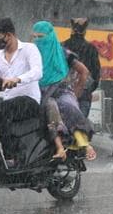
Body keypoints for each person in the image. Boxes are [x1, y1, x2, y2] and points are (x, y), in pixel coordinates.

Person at [32, 20, 96, 161]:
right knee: (46, 109)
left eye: (41, 37)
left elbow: (83, 72)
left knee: (68, 107)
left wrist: (76, 93)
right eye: (34, 37)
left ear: (50, 36)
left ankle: (85, 144)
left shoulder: (62, 52)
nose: (37, 40)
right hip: (39, 94)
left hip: (61, 90)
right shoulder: (31, 53)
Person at [0, 18, 44, 156]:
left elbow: (37, 71)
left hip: (29, 101)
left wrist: (18, 79)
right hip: (9, 101)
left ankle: (9, 155)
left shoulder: (29, 49)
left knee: (1, 111)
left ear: (8, 35)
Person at [63, 18, 101, 118]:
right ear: (85, 31)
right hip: (84, 95)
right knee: (80, 128)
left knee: (64, 128)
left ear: (71, 29)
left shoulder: (62, 46)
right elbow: (96, 75)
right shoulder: (92, 49)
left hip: (64, 94)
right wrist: (86, 90)